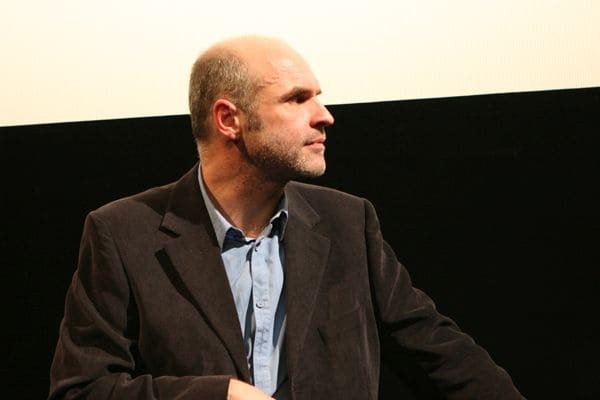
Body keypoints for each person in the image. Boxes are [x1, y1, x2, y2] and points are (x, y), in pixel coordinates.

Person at [48, 36, 524, 400]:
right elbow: (82, 390)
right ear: (228, 119)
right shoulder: (123, 234)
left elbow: (441, 356)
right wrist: (217, 395)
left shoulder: (347, 223)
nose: (325, 115)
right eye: (297, 99)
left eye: (318, 97)